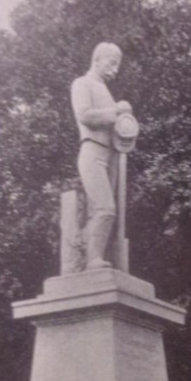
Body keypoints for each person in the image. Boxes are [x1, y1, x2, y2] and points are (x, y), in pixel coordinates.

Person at [70, 42, 132, 269]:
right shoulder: (82, 83)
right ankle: (92, 259)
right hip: (92, 150)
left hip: (112, 154)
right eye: (112, 63)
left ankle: (97, 257)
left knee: (108, 211)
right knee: (105, 208)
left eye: (118, 65)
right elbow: (85, 115)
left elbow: (117, 127)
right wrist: (117, 112)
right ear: (96, 59)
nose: (115, 70)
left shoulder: (105, 90)